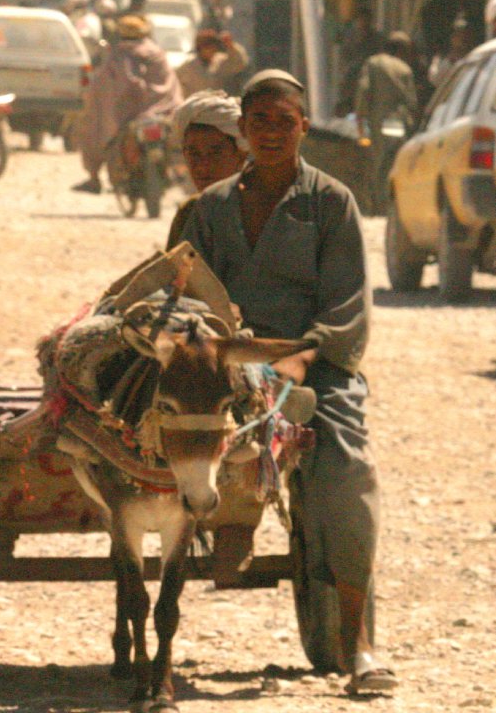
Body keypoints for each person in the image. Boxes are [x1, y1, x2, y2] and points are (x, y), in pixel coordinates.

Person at [172, 70, 395, 697]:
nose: (271, 132)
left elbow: (347, 307)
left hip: (313, 365)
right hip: (228, 363)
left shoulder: (332, 202)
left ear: (303, 126)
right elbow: (185, 294)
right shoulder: (210, 208)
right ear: (243, 130)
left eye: (283, 121)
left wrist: (297, 358)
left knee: (346, 468)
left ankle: (360, 643)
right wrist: (216, 350)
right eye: (259, 122)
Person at [74, 14, 183, 193]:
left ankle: (94, 178)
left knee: (92, 127)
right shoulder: (157, 54)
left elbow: (102, 90)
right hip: (163, 112)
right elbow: (170, 86)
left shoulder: (118, 56)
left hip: (126, 116)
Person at [165, 90, 247, 247]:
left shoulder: (259, 210)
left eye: (215, 153)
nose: (203, 166)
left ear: (240, 155)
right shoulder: (189, 212)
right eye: (194, 154)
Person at [354, 31, 419, 214]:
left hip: (379, 123)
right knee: (396, 162)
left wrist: (360, 118)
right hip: (399, 123)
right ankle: (393, 205)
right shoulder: (405, 69)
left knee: (379, 163)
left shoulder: (374, 63)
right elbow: (412, 102)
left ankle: (378, 206)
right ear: (401, 50)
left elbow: (364, 90)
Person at [176, 28, 250, 97]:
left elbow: (240, 63)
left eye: (211, 44)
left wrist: (231, 46)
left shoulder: (221, 61)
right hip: (196, 104)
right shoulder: (188, 67)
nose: (209, 49)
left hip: (218, 102)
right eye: (205, 45)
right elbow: (176, 86)